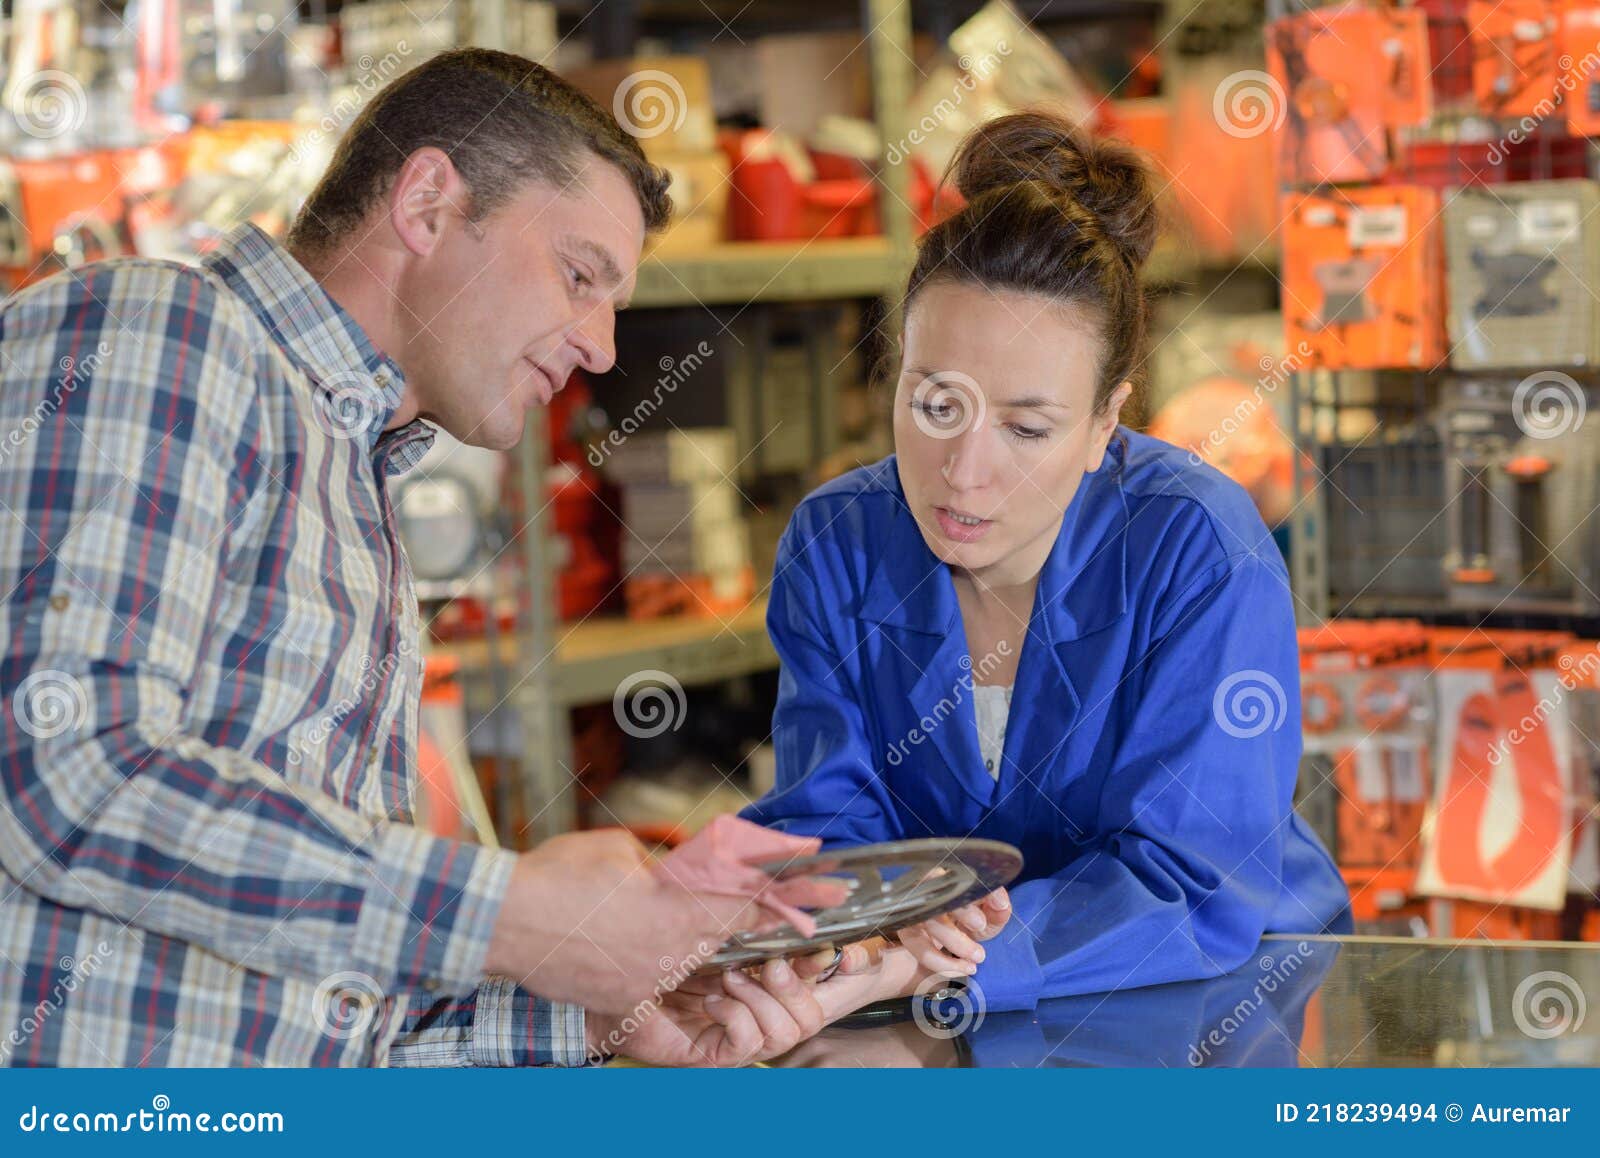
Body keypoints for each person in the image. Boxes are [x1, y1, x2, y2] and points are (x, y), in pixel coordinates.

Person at [0, 48, 832, 1068]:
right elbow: (64, 764)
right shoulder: (161, 330)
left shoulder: (356, 493)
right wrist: (517, 914)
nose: (605, 348)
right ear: (429, 203)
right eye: (580, 275)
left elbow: (335, 1019)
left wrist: (600, 1009)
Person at [743, 111, 1352, 1016]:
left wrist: (940, 965)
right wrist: (844, 942)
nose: (964, 467)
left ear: (1108, 419)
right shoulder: (840, 544)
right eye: (934, 401)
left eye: (1027, 428)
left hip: (1208, 1002)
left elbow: (1194, 878)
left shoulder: (1197, 549)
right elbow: (830, 828)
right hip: (923, 1003)